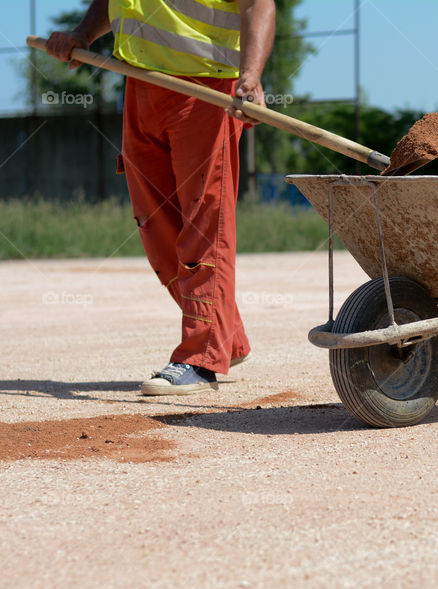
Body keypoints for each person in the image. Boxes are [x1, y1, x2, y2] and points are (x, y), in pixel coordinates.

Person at [46, 0, 275, 396]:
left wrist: (251, 75)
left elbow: (257, 4)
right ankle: (226, 338)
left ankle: (201, 357)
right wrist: (84, 33)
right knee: (156, 226)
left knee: (205, 226)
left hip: (204, 89)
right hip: (138, 83)